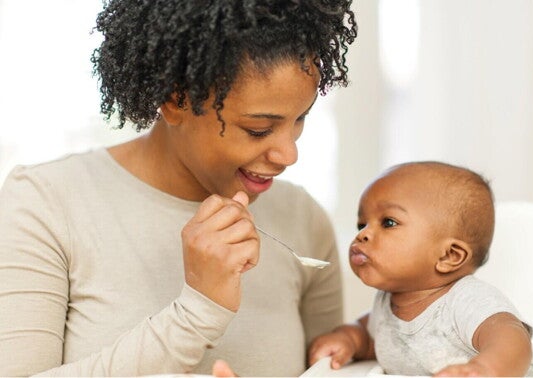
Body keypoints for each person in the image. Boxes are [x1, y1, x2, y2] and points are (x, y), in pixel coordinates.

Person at [0, 1, 357, 376]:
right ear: (176, 100)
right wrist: (198, 311)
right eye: (258, 129)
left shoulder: (303, 219)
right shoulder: (43, 203)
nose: (289, 154)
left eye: (300, 118)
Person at [308, 161, 533, 377]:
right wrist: (348, 340)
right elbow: (372, 339)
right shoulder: (386, 305)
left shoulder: (465, 300)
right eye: (362, 224)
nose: (363, 234)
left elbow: (512, 339)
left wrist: (485, 370)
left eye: (388, 222)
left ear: (449, 255)